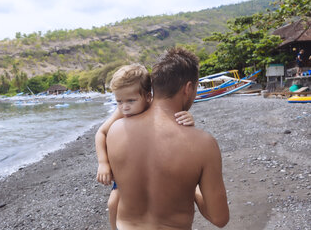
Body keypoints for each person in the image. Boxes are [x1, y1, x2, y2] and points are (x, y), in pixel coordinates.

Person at [107, 47, 229, 229]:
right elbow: (219, 218)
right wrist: (193, 187)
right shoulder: (203, 144)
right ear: (188, 88)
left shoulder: (115, 131)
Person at [95, 64, 195, 230]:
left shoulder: (156, 110)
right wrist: (103, 163)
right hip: (127, 168)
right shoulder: (121, 112)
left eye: (130, 101)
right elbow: (100, 133)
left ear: (148, 97)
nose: (124, 107)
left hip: (153, 166)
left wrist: (187, 117)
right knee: (113, 202)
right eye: (119, 101)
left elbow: (173, 121)